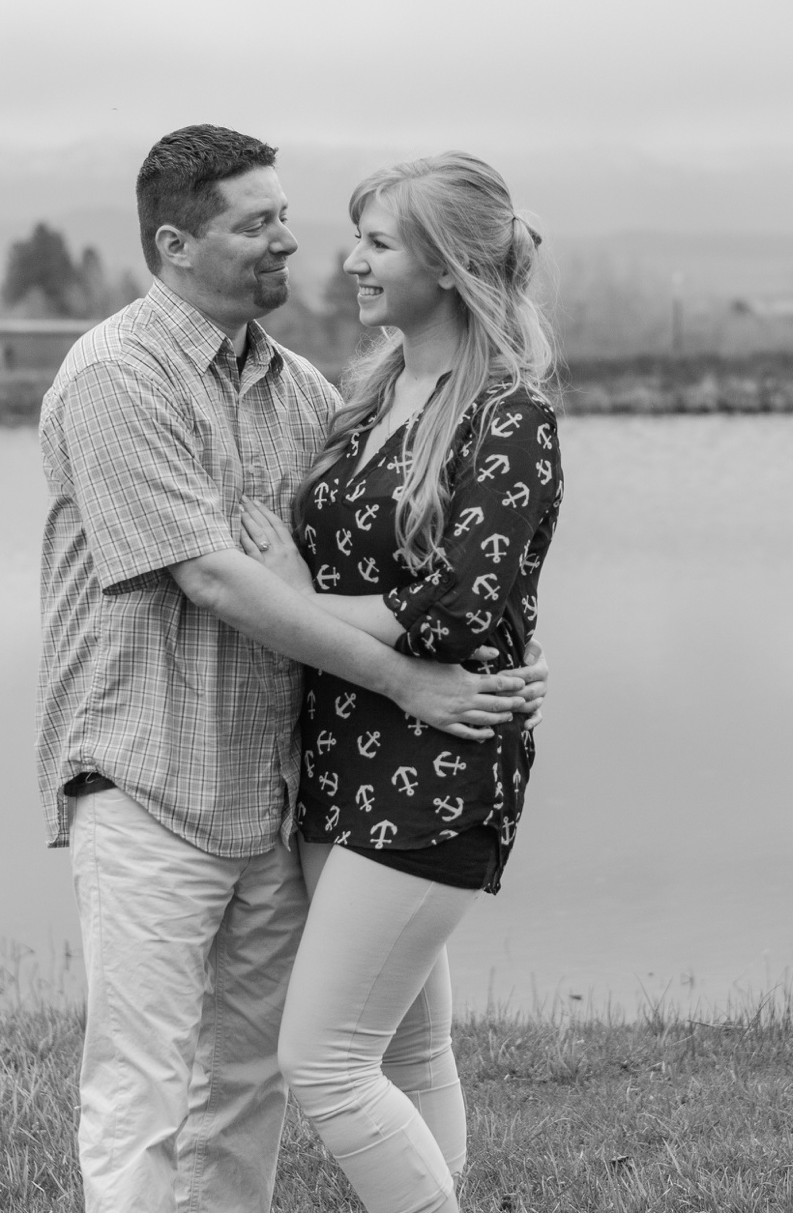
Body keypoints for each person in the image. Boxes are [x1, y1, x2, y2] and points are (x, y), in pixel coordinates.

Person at [35, 125, 549, 1212]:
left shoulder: (309, 391)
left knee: (252, 1078)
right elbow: (215, 581)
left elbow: (444, 565)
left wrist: (493, 638)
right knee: (142, 1089)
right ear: (176, 244)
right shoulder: (117, 377)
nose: (293, 243)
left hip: (277, 792)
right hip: (151, 780)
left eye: (286, 216)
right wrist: (411, 676)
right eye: (256, 223)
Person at [235, 152, 563, 1212]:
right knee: (413, 1054)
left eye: (377, 242)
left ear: (450, 265)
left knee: (323, 1064)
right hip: (338, 752)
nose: (350, 260)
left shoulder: (508, 414)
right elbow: (404, 589)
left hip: (439, 762)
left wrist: (298, 600)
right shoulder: (371, 393)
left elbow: (468, 607)